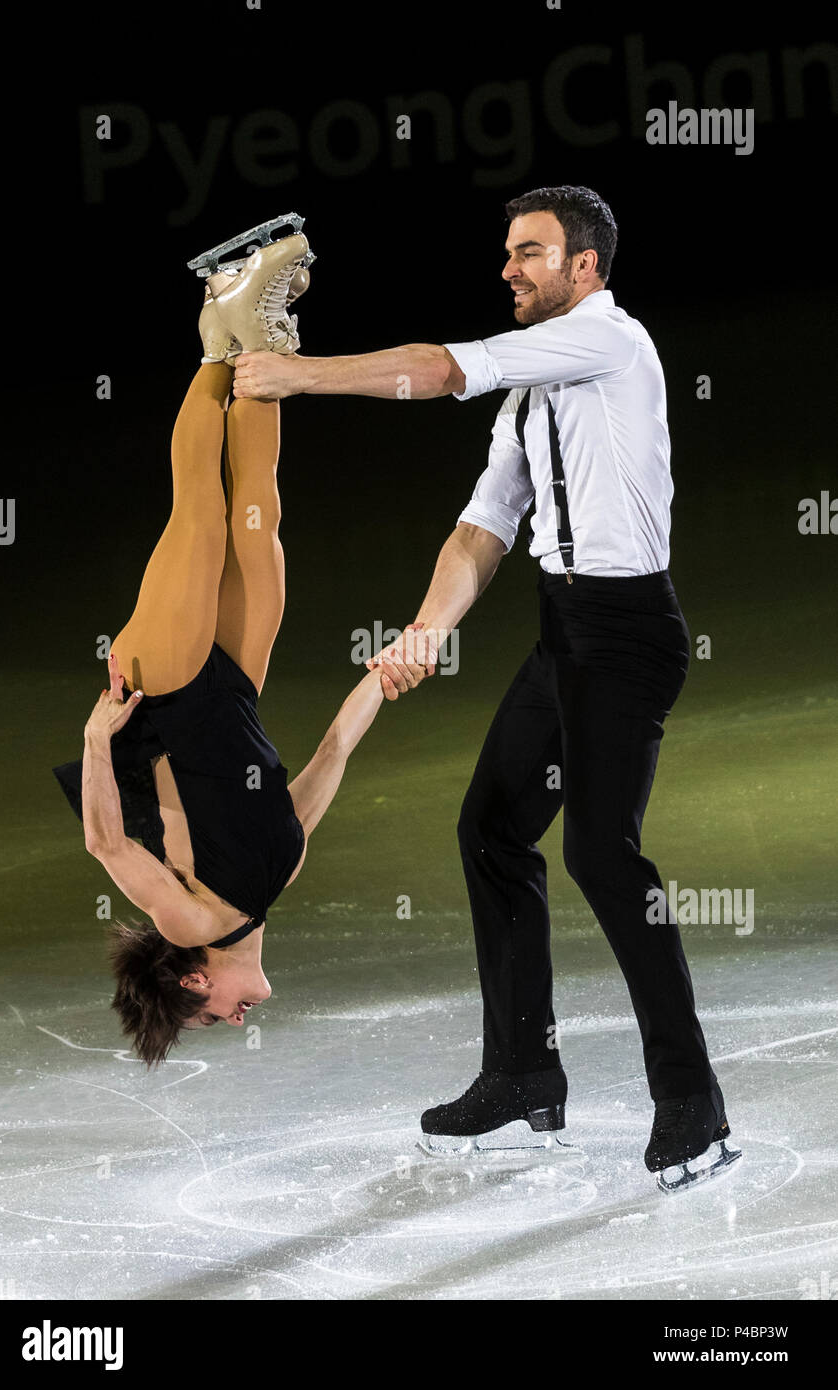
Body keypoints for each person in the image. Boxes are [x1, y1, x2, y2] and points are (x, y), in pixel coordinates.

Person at [228, 185, 742, 1193]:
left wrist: (293, 375)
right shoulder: (530, 397)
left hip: (628, 637)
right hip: (564, 635)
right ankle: (521, 1075)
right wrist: (424, 630)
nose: (508, 267)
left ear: (582, 268)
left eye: (529, 253)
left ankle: (694, 1105)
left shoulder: (608, 344)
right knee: (491, 832)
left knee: (601, 851)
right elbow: (481, 528)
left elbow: (438, 369)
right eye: (506, 252)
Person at [53, 229, 436, 1068]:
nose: (233, 1019)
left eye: (210, 1018)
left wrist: (93, 738)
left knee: (202, 514)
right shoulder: (280, 874)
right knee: (259, 514)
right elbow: (332, 755)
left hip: (161, 693)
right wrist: (389, 671)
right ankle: (249, 336)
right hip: (232, 682)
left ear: (193, 983)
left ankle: (209, 350)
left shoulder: (190, 921)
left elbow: (107, 846)